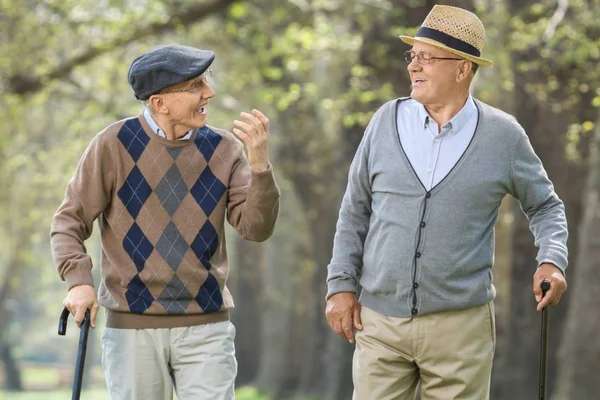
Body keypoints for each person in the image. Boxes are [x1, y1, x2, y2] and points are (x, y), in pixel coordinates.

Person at [324, 5, 568, 400]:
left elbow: (546, 206)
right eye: (412, 56)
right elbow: (355, 210)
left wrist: (552, 259)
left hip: (461, 329)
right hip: (380, 323)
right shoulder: (385, 122)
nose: (413, 67)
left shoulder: (503, 136)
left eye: (426, 57)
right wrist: (339, 286)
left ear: (462, 69)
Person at [50, 44, 280, 400]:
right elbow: (69, 221)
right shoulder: (112, 145)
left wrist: (261, 168)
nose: (210, 92)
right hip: (132, 329)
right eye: (195, 86)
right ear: (159, 102)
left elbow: (255, 228)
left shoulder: (226, 150)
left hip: (206, 326)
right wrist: (78, 281)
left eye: (207, 80)